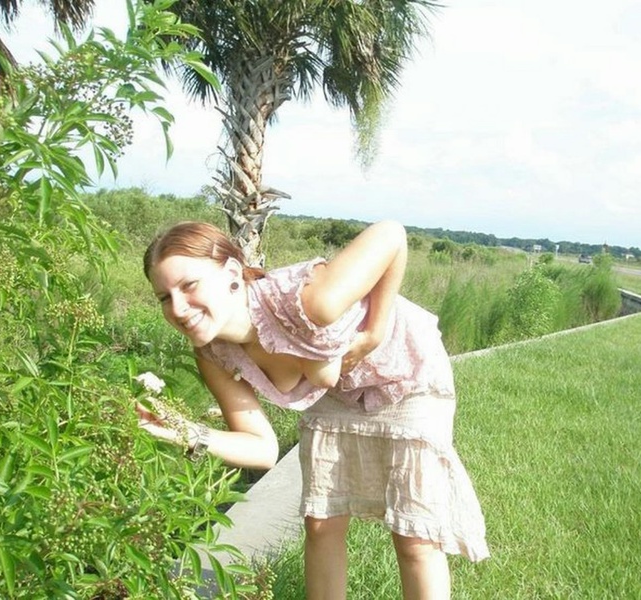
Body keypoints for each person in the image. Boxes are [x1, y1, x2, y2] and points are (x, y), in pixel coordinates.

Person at [138, 219, 489, 599]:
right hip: (335, 395)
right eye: (164, 297)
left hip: (403, 375)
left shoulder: (307, 300)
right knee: (321, 524)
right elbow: (262, 448)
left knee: (414, 537)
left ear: (233, 273)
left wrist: (373, 332)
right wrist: (184, 431)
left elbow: (391, 235)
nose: (178, 308)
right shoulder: (212, 352)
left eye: (189, 285)